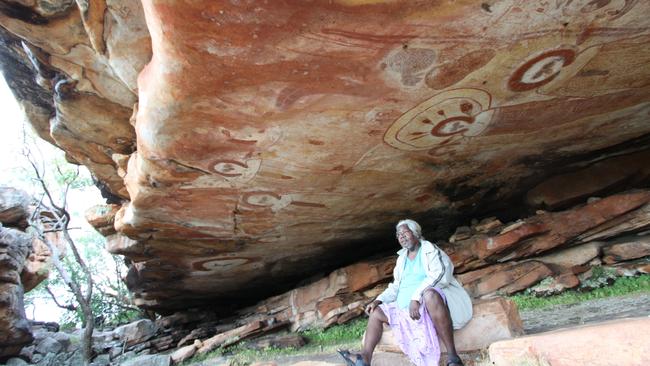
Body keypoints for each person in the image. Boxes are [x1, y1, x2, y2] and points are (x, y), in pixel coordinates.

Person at [338, 219, 472, 366]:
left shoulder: (430, 250)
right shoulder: (402, 259)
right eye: (398, 234)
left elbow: (440, 275)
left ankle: (453, 357)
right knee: (376, 312)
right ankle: (364, 358)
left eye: (404, 232)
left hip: (427, 306)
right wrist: (378, 299)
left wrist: (416, 298)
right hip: (404, 310)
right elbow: (396, 286)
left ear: (416, 233)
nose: (401, 236)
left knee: (430, 295)